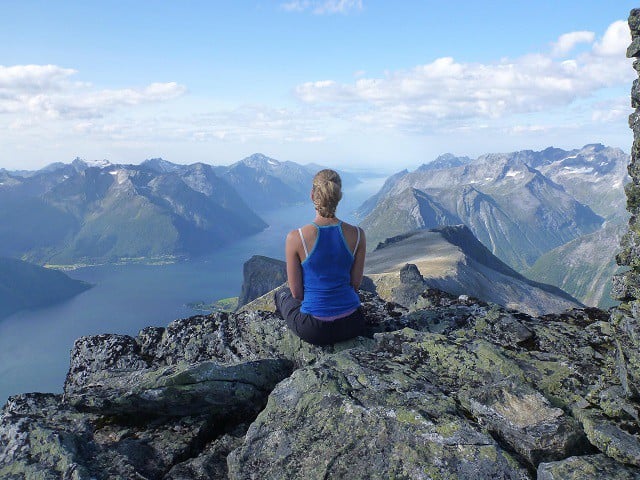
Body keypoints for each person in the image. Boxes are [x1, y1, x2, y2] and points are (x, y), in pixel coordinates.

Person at [274, 169, 367, 345]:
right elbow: (355, 285)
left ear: (312, 195)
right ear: (338, 196)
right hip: (353, 323)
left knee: (282, 294)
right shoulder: (358, 234)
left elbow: (297, 293)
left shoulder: (296, 237)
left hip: (315, 329)